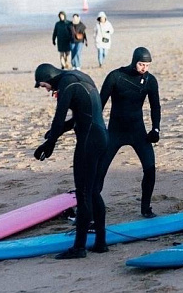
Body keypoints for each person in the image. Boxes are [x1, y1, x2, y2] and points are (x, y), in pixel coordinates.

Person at [33, 63, 109, 259]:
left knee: (83, 193)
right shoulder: (80, 76)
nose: (46, 90)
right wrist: (56, 133)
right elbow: (81, 116)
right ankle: (101, 243)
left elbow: (59, 118)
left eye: (44, 86)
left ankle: (79, 248)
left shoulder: (66, 85)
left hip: (88, 140)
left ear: (48, 78)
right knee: (92, 192)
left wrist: (49, 143)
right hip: (101, 136)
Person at [98, 47, 162, 218]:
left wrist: (156, 128)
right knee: (99, 170)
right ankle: (88, 211)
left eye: (147, 65)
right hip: (115, 132)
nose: (144, 68)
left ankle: (146, 209)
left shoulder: (150, 80)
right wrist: (99, 129)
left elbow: (155, 106)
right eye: (141, 64)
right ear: (134, 61)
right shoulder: (115, 77)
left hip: (137, 131)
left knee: (150, 169)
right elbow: (99, 104)